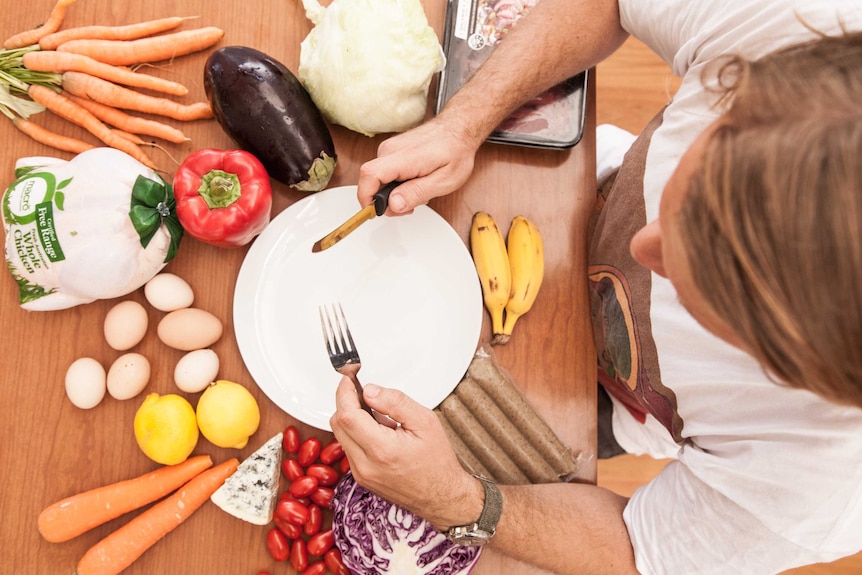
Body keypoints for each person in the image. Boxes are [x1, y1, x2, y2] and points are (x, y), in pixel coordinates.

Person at [330, 1, 862, 573]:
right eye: (680, 201)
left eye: (695, 284)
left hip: (611, 407)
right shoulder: (810, 27)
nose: (640, 247)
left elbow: (641, 550)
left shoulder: (825, 490)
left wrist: (456, 500)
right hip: (562, 190)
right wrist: (463, 123)